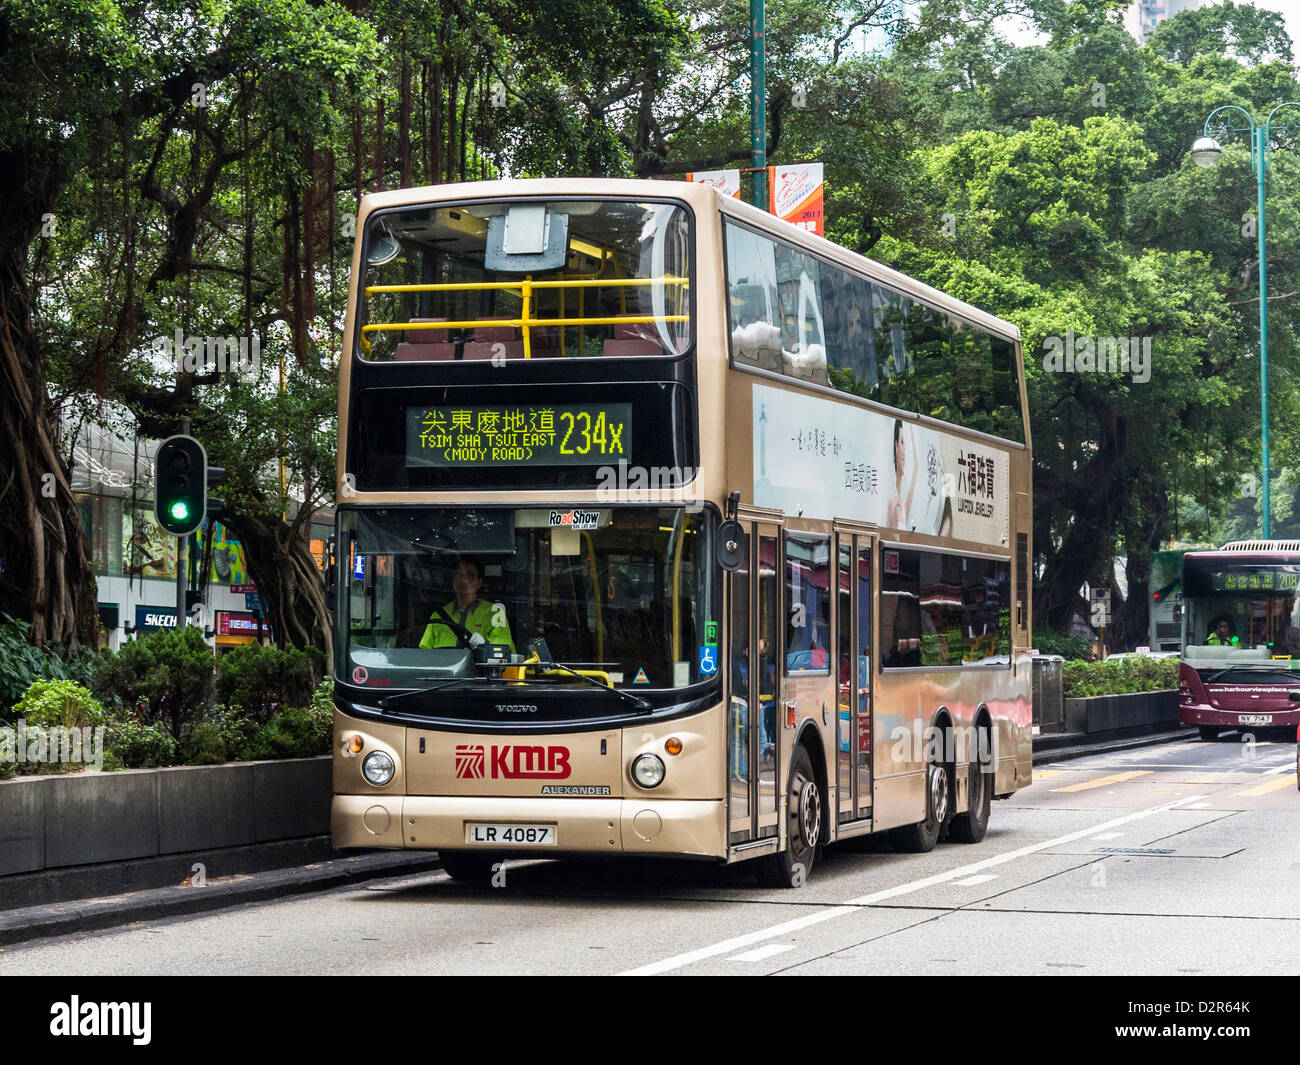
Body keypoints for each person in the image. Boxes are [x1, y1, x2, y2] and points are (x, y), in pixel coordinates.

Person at [419, 557, 514, 651]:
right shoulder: (438, 616)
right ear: (453, 580)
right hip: (442, 665)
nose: (464, 581)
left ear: (479, 582)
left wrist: (486, 643)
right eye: (459, 575)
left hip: (476, 666)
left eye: (471, 575)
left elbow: (505, 646)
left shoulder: (495, 612)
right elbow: (423, 652)